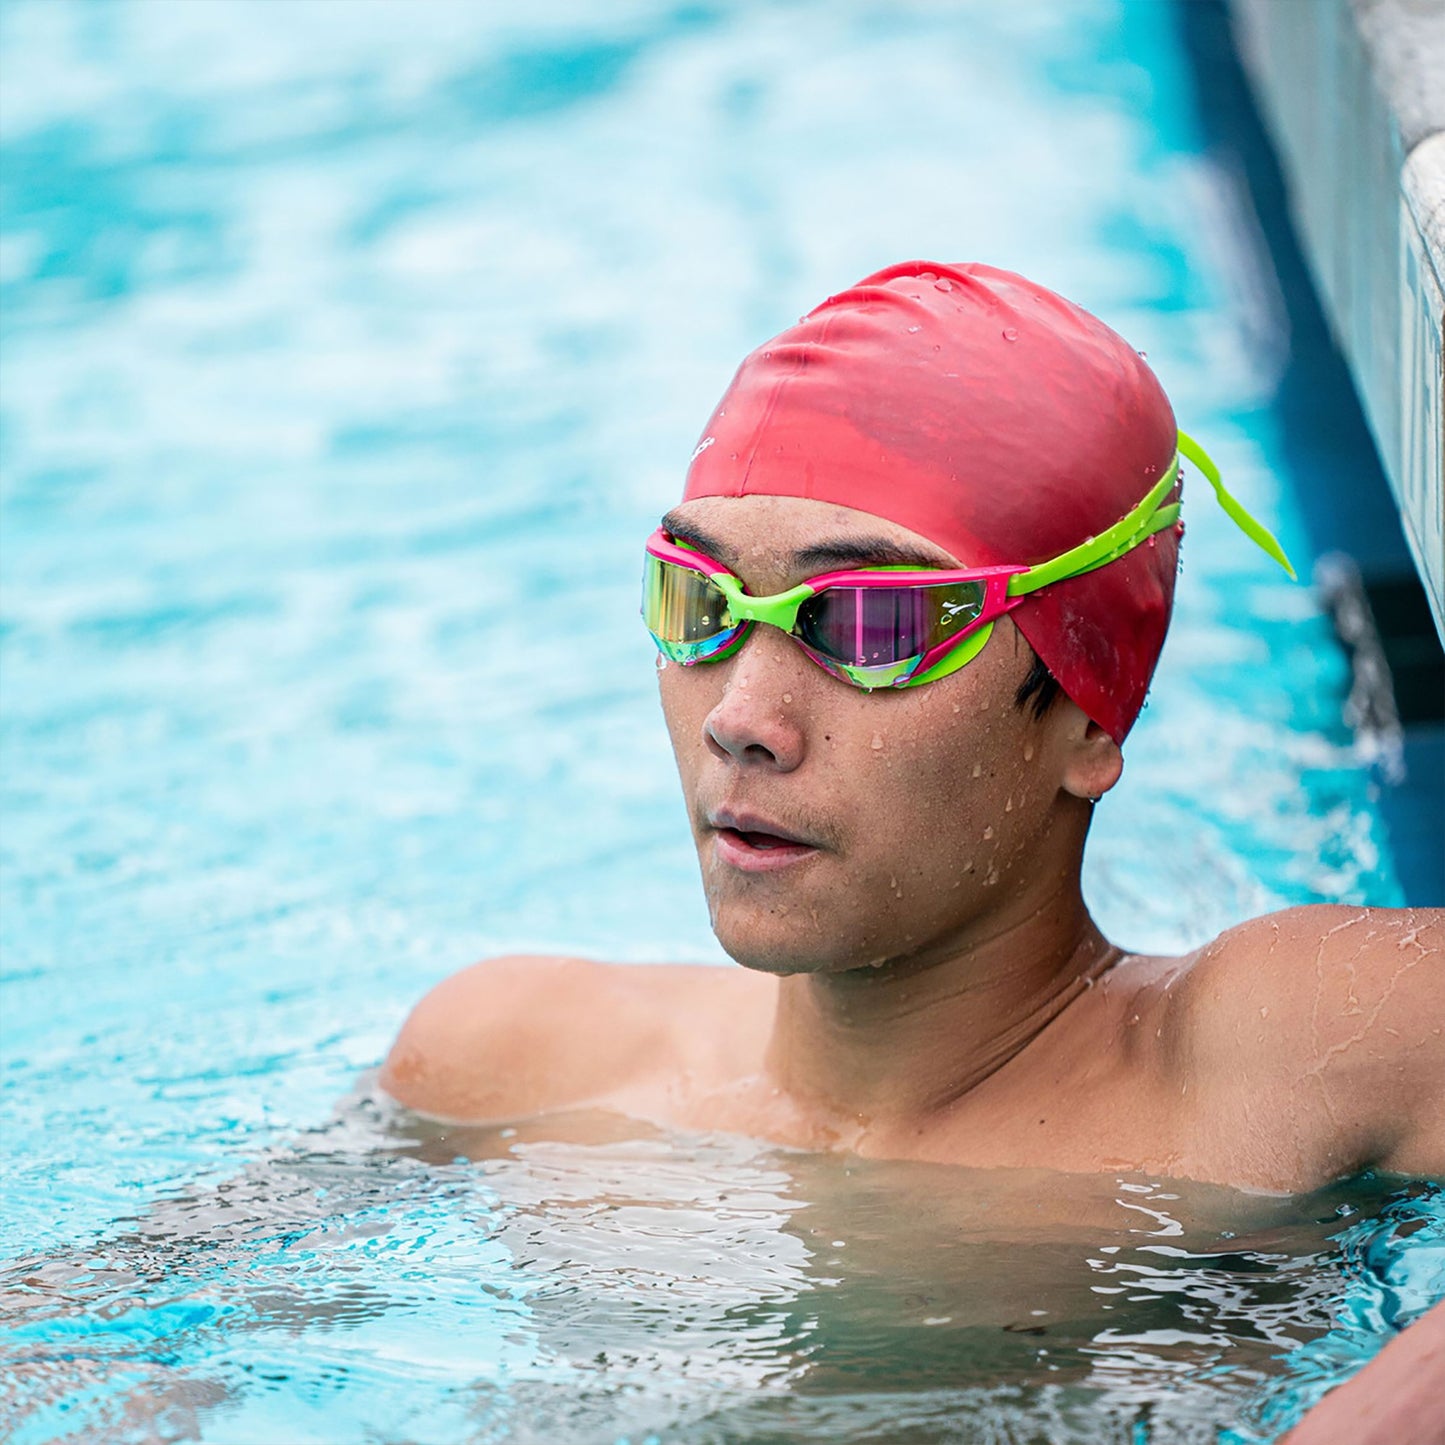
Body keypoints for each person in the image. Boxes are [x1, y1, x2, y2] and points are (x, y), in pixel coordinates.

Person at [380, 260, 1443, 1432]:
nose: (740, 716)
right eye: (700, 602)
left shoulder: (1276, 1053)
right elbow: (152, 1355)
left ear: (1087, 712)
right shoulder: (512, 1064)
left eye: (870, 624)